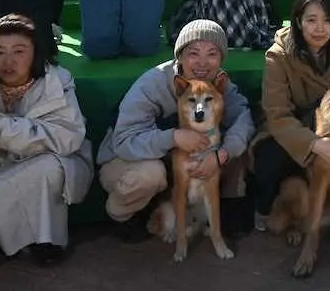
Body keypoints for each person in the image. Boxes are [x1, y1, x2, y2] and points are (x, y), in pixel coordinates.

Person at [97, 20, 255, 241]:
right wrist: (174, 137)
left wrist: (222, 155)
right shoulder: (152, 84)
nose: (202, 63)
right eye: (193, 53)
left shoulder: (217, 84)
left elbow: (244, 120)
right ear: (179, 56)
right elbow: (123, 141)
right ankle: (122, 215)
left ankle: (227, 210)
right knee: (150, 175)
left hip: (178, 164)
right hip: (125, 158)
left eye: (212, 54)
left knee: (236, 142)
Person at [0, 15, 92, 264]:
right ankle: (12, 240)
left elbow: (67, 137)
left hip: (52, 161)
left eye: (19, 51)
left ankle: (48, 241)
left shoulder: (56, 81)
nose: (8, 61)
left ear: (35, 53)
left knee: (47, 169)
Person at [250, 0, 330, 228]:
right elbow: (277, 115)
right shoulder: (278, 56)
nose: (320, 28)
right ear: (298, 22)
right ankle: (264, 209)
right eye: (311, 20)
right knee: (268, 156)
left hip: (329, 127)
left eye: (327, 20)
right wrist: (316, 144)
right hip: (287, 131)